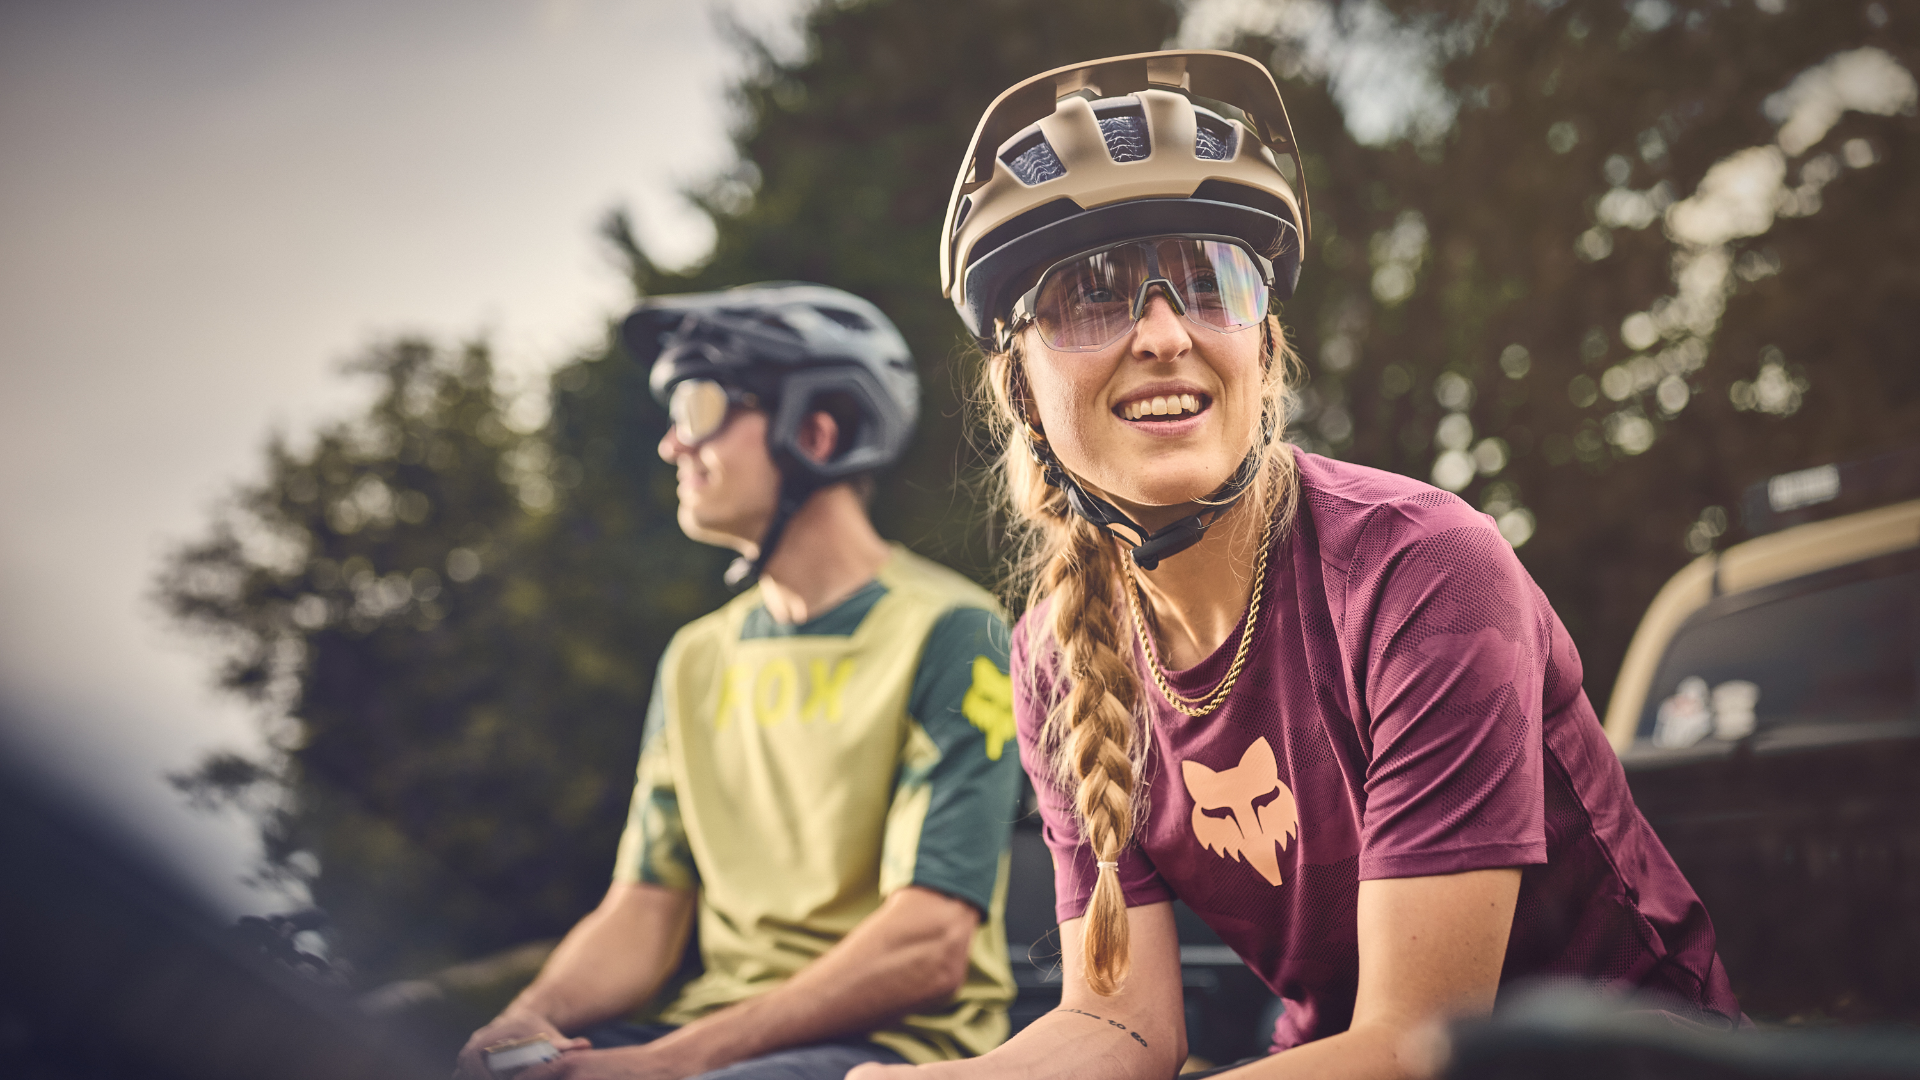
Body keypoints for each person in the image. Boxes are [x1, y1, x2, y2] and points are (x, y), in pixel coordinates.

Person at [851, 50, 1741, 1080]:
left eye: (1209, 285)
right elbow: (1120, 1028)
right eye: (1091, 299)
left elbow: (1419, 1045)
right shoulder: (1056, 648)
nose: (1163, 334)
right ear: (1021, 390)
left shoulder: (1425, 570)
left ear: (1264, 349)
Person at [456, 283, 1022, 1080]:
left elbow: (927, 947)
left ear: (817, 433)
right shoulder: (696, 657)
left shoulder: (955, 633)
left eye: (701, 406)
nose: (672, 445)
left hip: (893, 1051)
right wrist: (524, 1020)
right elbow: (645, 908)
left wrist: (665, 1064)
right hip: (713, 1042)